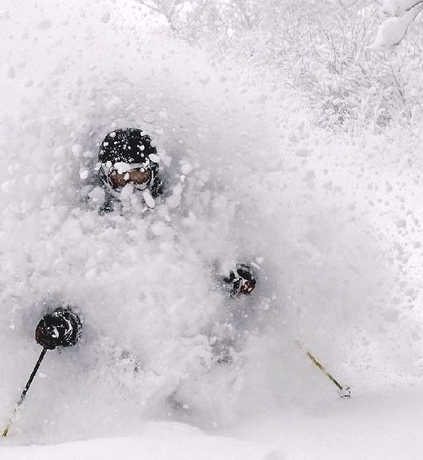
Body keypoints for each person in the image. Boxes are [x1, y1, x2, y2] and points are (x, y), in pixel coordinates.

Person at [34, 127, 258, 351]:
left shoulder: (178, 214)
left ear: (153, 173)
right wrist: (63, 326)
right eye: (120, 178)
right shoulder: (85, 228)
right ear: (105, 176)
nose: (130, 189)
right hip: (122, 357)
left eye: (140, 176)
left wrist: (234, 279)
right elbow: (83, 297)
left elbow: (206, 269)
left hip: (183, 349)